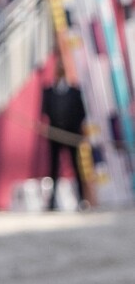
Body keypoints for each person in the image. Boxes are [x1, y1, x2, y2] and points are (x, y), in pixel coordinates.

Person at [40, 70, 87, 210]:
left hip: (71, 135)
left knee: (77, 168)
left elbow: (82, 113)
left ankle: (82, 200)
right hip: (55, 136)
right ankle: (52, 203)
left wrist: (74, 129)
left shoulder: (75, 92)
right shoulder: (48, 92)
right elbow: (44, 111)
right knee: (53, 169)